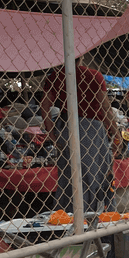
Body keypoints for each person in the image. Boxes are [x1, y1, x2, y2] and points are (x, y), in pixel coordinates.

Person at [41, 57, 122, 213]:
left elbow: (45, 104)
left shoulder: (56, 76)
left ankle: (68, 216)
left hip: (66, 126)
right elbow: (104, 107)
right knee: (94, 175)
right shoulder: (94, 75)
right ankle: (92, 216)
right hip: (92, 129)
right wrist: (116, 132)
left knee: (68, 176)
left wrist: (51, 132)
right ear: (83, 55)